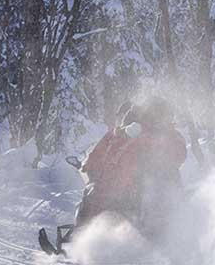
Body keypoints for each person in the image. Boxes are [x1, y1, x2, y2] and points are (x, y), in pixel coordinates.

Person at [43, 98, 187, 252]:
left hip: (150, 186)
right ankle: (81, 240)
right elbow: (101, 150)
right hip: (123, 183)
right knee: (94, 197)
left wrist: (150, 144)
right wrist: (88, 165)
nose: (163, 119)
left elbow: (179, 153)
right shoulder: (122, 132)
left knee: (99, 197)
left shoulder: (166, 136)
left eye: (165, 116)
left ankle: (161, 243)